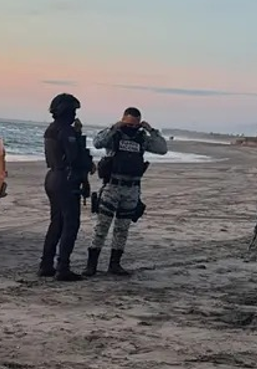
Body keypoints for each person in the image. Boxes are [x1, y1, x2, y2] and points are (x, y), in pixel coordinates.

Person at [83, 107, 168, 276]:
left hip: (132, 188)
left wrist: (151, 130)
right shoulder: (114, 134)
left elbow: (162, 149)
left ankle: (115, 264)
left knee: (122, 228)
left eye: (134, 125)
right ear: (123, 120)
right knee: (102, 226)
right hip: (112, 185)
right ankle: (91, 265)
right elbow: (97, 143)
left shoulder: (142, 138)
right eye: (128, 124)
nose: (131, 128)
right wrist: (115, 127)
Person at [39, 92, 94, 281]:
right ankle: (63, 267)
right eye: (73, 111)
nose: (75, 115)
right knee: (70, 224)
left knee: (56, 222)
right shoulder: (66, 131)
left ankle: (46, 264)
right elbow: (75, 158)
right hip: (66, 178)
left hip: (52, 176)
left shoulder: (51, 129)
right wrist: (79, 139)